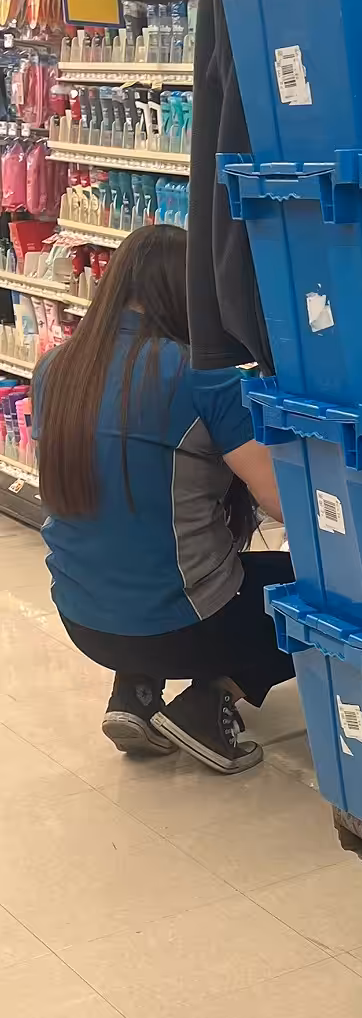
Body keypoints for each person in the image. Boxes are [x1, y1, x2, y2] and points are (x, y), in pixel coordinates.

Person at [34, 224, 291, 774]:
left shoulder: (56, 369)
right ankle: (209, 698)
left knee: (137, 541)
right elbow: (280, 503)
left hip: (81, 618)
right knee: (316, 598)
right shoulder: (202, 377)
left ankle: (135, 693)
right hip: (180, 626)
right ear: (188, 294)